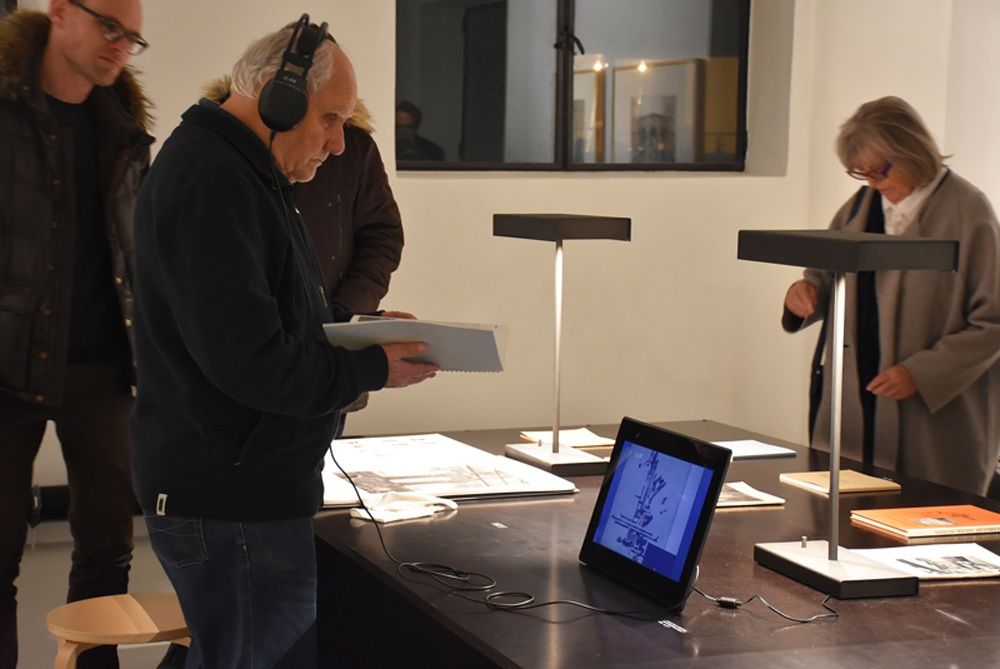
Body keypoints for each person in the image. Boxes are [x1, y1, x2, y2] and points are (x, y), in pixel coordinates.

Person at [130, 20, 437, 667]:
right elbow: (252, 362)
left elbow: (274, 319)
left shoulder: (247, 173)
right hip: (232, 499)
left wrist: (360, 330)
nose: (338, 143)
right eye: (330, 119)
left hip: (244, 492)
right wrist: (369, 368)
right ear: (278, 98)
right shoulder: (212, 180)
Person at [0, 2, 151, 667]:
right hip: (5, 366)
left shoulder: (123, 128)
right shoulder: (6, 110)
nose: (120, 45)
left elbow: (136, 250)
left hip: (103, 365)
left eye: (132, 37)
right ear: (60, 11)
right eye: (108, 27)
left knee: (108, 549)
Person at [782, 96, 1000, 496]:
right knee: (845, 511)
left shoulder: (969, 211)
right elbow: (823, 275)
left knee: (923, 513)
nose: (871, 183)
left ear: (911, 150)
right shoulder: (859, 207)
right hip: (857, 401)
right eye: (860, 172)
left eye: (879, 170)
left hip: (933, 416)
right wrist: (805, 294)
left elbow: (992, 322)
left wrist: (922, 372)